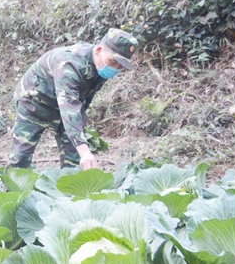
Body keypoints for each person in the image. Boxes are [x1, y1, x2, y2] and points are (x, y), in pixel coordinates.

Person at [7, 28, 138, 171]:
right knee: (20, 158)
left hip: (64, 108)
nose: (115, 68)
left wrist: (80, 140)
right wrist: (85, 151)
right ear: (99, 50)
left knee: (75, 160)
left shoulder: (101, 67)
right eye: (113, 62)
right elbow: (69, 106)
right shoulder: (69, 64)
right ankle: (10, 193)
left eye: (120, 66)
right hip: (33, 104)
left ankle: (72, 192)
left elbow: (82, 102)